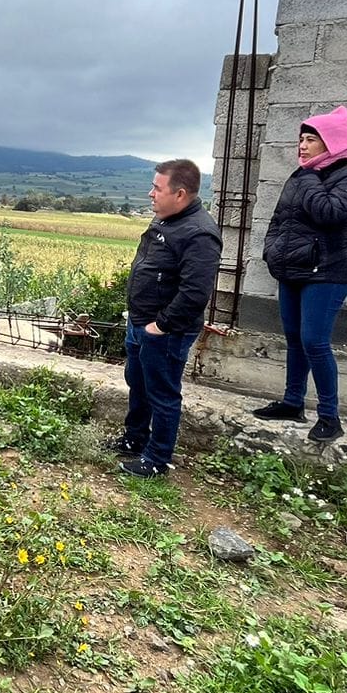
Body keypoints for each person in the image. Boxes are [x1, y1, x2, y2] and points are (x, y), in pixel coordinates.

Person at [251, 106, 347, 443]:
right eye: (300, 140)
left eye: (310, 140)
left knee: (315, 341)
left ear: (330, 142)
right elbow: (280, 219)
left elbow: (329, 213)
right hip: (292, 270)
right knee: (294, 340)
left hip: (328, 273)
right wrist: (272, 248)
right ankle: (292, 403)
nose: (301, 147)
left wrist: (309, 179)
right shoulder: (302, 174)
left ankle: (330, 418)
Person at [107, 158, 222, 478]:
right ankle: (134, 440)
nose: (150, 194)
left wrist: (161, 326)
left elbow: (195, 293)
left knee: (163, 393)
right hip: (141, 322)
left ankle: (157, 458)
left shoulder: (199, 233)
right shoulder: (165, 220)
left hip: (164, 330)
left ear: (180, 194)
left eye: (157, 188)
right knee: (139, 384)